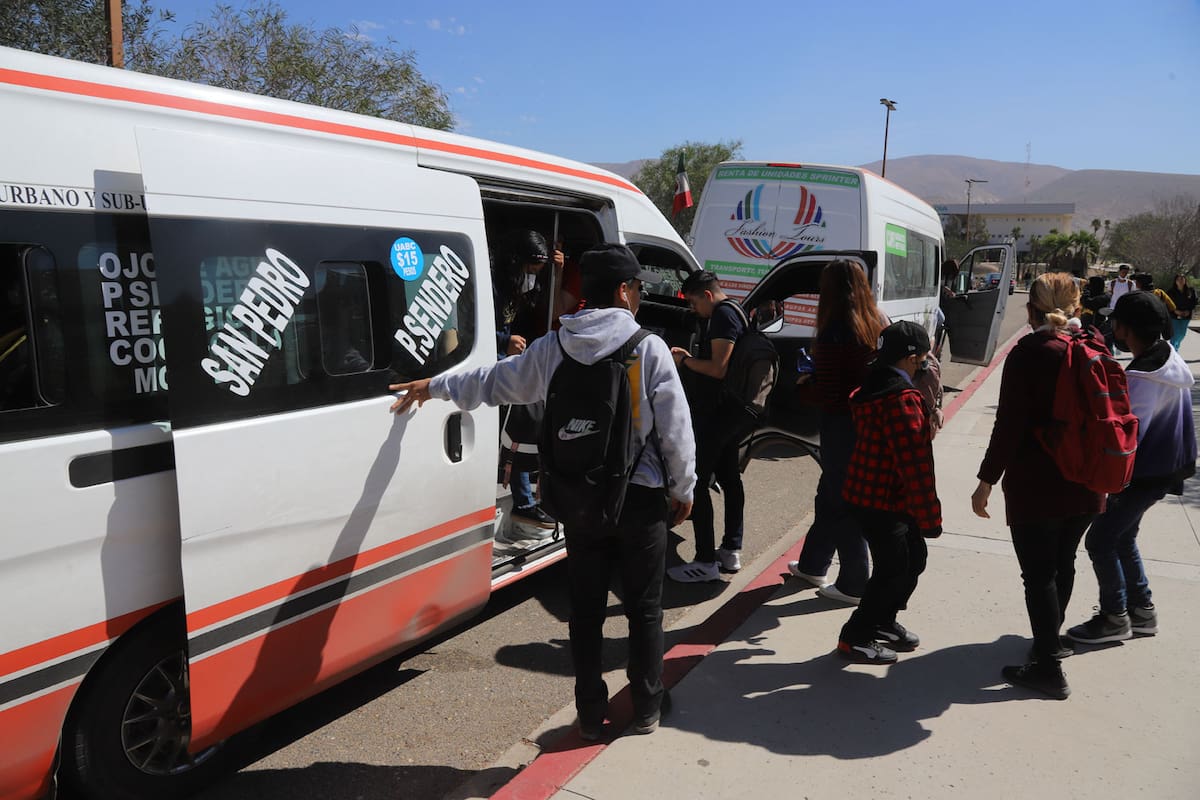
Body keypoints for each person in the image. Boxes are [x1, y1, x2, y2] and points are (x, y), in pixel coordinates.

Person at [389, 243, 696, 739]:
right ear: (623, 290)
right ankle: (646, 706)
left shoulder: (554, 346)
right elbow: (676, 430)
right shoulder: (648, 347)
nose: (638, 296)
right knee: (644, 609)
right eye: (637, 287)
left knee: (586, 609)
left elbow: (493, 382)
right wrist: (684, 488)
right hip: (639, 499)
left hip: (579, 498)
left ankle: (592, 712)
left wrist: (438, 386)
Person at [972, 272, 1105, 700]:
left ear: (1031, 310)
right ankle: (1051, 639)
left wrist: (986, 480)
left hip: (1039, 481)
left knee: (1038, 574)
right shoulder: (1093, 344)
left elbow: (1009, 425)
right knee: (1063, 560)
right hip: (1087, 480)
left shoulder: (1030, 352)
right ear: (1078, 308)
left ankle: (1047, 666)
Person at [1067, 292, 1196, 644]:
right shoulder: (1169, 357)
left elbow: (1126, 434)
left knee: (1100, 539)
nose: (1113, 326)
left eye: (1116, 321)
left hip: (1144, 473)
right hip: (1169, 467)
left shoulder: (1141, 375)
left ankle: (1114, 617)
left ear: (1127, 328)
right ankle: (1142, 612)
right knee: (1122, 536)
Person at [836, 321, 941, 663]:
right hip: (884, 501)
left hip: (870, 493)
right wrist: (930, 519)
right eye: (925, 355)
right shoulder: (902, 401)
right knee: (892, 570)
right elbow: (916, 467)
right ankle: (856, 637)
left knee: (912, 560)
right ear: (913, 359)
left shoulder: (874, 386)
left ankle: (883, 620)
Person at [786, 260, 885, 604]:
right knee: (830, 494)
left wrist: (803, 384)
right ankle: (814, 563)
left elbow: (830, 393)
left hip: (841, 424)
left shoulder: (834, 331)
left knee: (842, 500)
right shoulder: (874, 323)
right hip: (868, 421)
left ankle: (855, 581)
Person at [667, 271, 755, 582]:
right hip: (730, 413)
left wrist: (685, 360)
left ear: (706, 295)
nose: (693, 310)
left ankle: (705, 561)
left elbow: (718, 368)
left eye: (693, 302)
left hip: (717, 415)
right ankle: (730, 549)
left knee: (697, 481)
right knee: (730, 478)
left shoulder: (722, 316)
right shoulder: (737, 311)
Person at [492, 230, 562, 533]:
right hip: (489, 364)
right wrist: (504, 341)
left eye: (538, 271)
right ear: (518, 262)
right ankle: (523, 503)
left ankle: (524, 503)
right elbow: (470, 329)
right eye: (531, 269)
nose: (533, 276)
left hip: (505, 363)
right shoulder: (494, 285)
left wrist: (556, 274)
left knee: (517, 426)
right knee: (518, 422)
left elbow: (545, 307)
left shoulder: (517, 286)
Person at [1166, 273, 1197, 350]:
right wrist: (1175, 311)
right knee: (1175, 334)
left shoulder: (1190, 291)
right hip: (1174, 316)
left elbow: (1194, 301)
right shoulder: (1171, 292)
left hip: (1186, 316)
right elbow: (1167, 303)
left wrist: (1189, 310)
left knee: (1181, 334)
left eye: (1182, 279)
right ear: (1175, 281)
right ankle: (1173, 351)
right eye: (1179, 279)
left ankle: (1176, 346)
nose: (1181, 281)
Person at [1079, 276, 1112, 343]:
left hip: (1098, 328)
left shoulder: (1105, 296)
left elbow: (1088, 303)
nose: (1088, 286)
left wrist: (1086, 291)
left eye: (1090, 284)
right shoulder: (1090, 295)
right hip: (1084, 326)